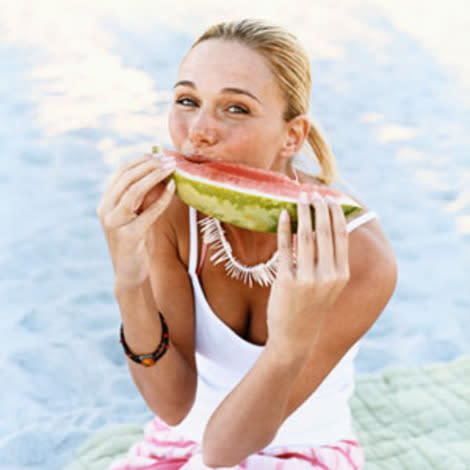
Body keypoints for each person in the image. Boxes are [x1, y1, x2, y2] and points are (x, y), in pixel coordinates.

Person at [97, 19, 397, 469]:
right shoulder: (173, 212)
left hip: (302, 451)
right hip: (180, 444)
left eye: (234, 108)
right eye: (187, 101)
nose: (198, 130)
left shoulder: (361, 257)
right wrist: (128, 280)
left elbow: (222, 452)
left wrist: (290, 343)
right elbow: (173, 404)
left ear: (292, 135)